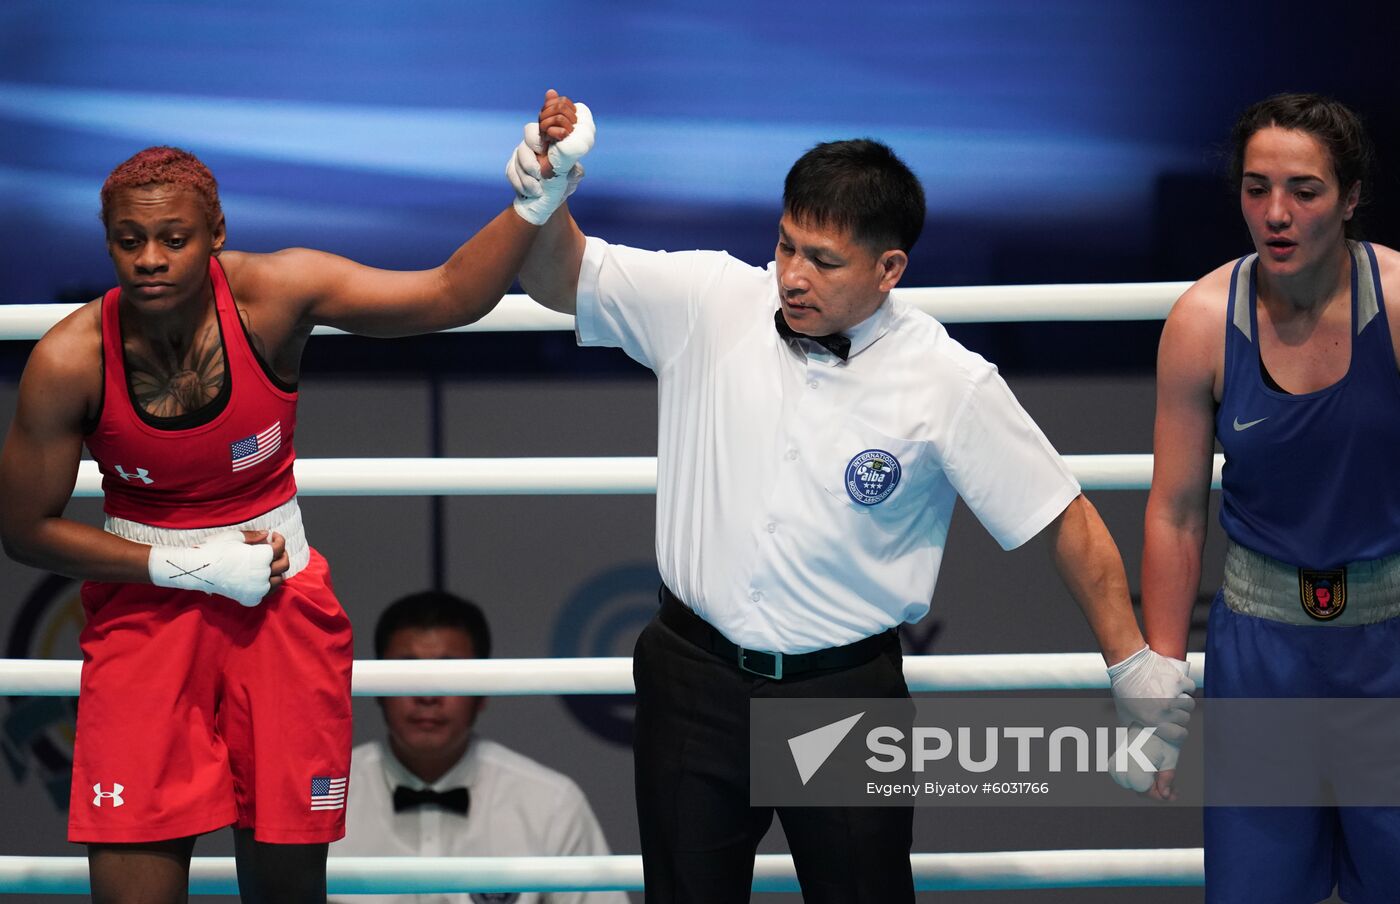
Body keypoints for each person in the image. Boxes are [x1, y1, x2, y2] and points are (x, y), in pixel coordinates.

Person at [513, 100, 1193, 903]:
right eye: (786, 246)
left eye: (824, 261)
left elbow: (1064, 519)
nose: (793, 275)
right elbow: (555, 277)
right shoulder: (707, 298)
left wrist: (1133, 668)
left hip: (838, 696)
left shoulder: (948, 380)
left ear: (889, 269)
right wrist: (545, 194)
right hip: (691, 677)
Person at [0, 91, 592, 904]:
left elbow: (450, 294)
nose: (150, 259)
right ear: (108, 244)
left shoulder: (277, 298)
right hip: (144, 616)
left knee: (286, 888)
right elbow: (22, 530)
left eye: (174, 239)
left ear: (215, 238)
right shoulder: (71, 360)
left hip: (279, 605)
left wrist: (535, 201)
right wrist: (186, 566)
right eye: (129, 242)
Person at [1143, 92, 1400, 903]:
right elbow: (1176, 512)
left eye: (1304, 190)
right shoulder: (1200, 322)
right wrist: (1160, 679)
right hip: (1260, 658)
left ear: (1351, 197)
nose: (1276, 214)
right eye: (1257, 189)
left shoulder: (1398, 305)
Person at [330, 590, 627, 904]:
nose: (427, 696)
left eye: (450, 672)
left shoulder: (551, 803)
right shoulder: (324, 797)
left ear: (484, 689)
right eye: (407, 671)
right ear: (376, 685)